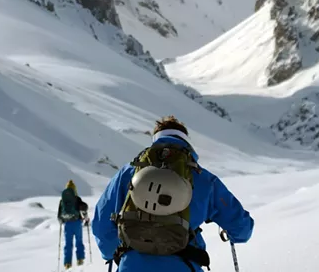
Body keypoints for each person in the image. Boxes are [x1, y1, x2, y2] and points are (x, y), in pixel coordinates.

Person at [91, 116, 254, 272]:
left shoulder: (129, 173)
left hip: (132, 266)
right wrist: (233, 234)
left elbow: (101, 225)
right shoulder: (203, 179)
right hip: (184, 265)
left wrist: (113, 252)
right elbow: (242, 229)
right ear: (185, 141)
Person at [58, 179, 90, 269]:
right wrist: (86, 218)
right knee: (79, 241)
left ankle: (67, 263)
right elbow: (83, 209)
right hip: (77, 223)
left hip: (67, 224)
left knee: (68, 243)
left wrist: (62, 221)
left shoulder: (62, 200)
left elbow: (59, 215)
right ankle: (80, 259)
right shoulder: (76, 198)